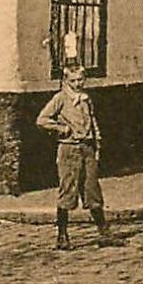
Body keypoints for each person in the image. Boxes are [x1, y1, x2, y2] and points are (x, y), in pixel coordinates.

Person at [36, 61, 112, 250]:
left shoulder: (86, 99)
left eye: (81, 79)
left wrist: (97, 141)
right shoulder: (60, 99)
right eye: (74, 80)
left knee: (92, 189)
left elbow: (92, 120)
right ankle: (62, 237)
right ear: (66, 80)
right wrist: (61, 128)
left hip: (87, 148)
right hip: (69, 150)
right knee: (67, 191)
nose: (78, 83)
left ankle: (105, 234)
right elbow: (42, 120)